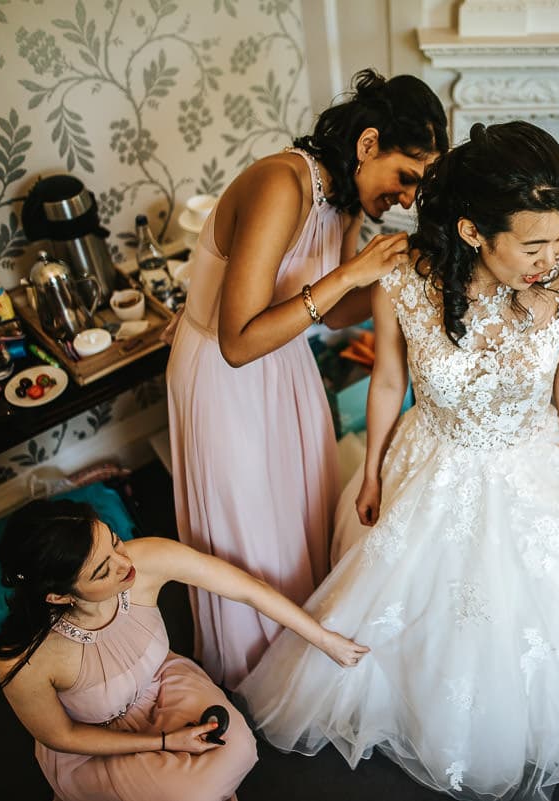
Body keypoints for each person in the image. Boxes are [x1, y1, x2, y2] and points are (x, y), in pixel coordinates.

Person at [236, 121, 559, 800]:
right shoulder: (404, 280)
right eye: (534, 244)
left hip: (531, 460)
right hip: (435, 457)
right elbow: (387, 382)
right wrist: (371, 469)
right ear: (475, 231)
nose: (552, 256)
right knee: (417, 608)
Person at [166, 69, 447, 689]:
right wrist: (351, 276)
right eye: (407, 176)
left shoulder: (343, 199)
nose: (406, 199)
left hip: (286, 365)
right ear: (368, 143)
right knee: (249, 529)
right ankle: (251, 673)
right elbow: (240, 340)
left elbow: (332, 313)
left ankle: (301, 650)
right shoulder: (280, 183)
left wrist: (398, 279)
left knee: (302, 507)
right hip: (224, 373)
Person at [0, 498, 369, 801]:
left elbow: (246, 588)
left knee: (238, 748)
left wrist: (324, 640)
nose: (126, 565)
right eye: (102, 571)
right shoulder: (26, 660)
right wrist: (166, 742)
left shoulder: (146, 559)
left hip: (163, 684)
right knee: (192, 792)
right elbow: (63, 737)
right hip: (98, 741)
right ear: (58, 596)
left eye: (114, 541)